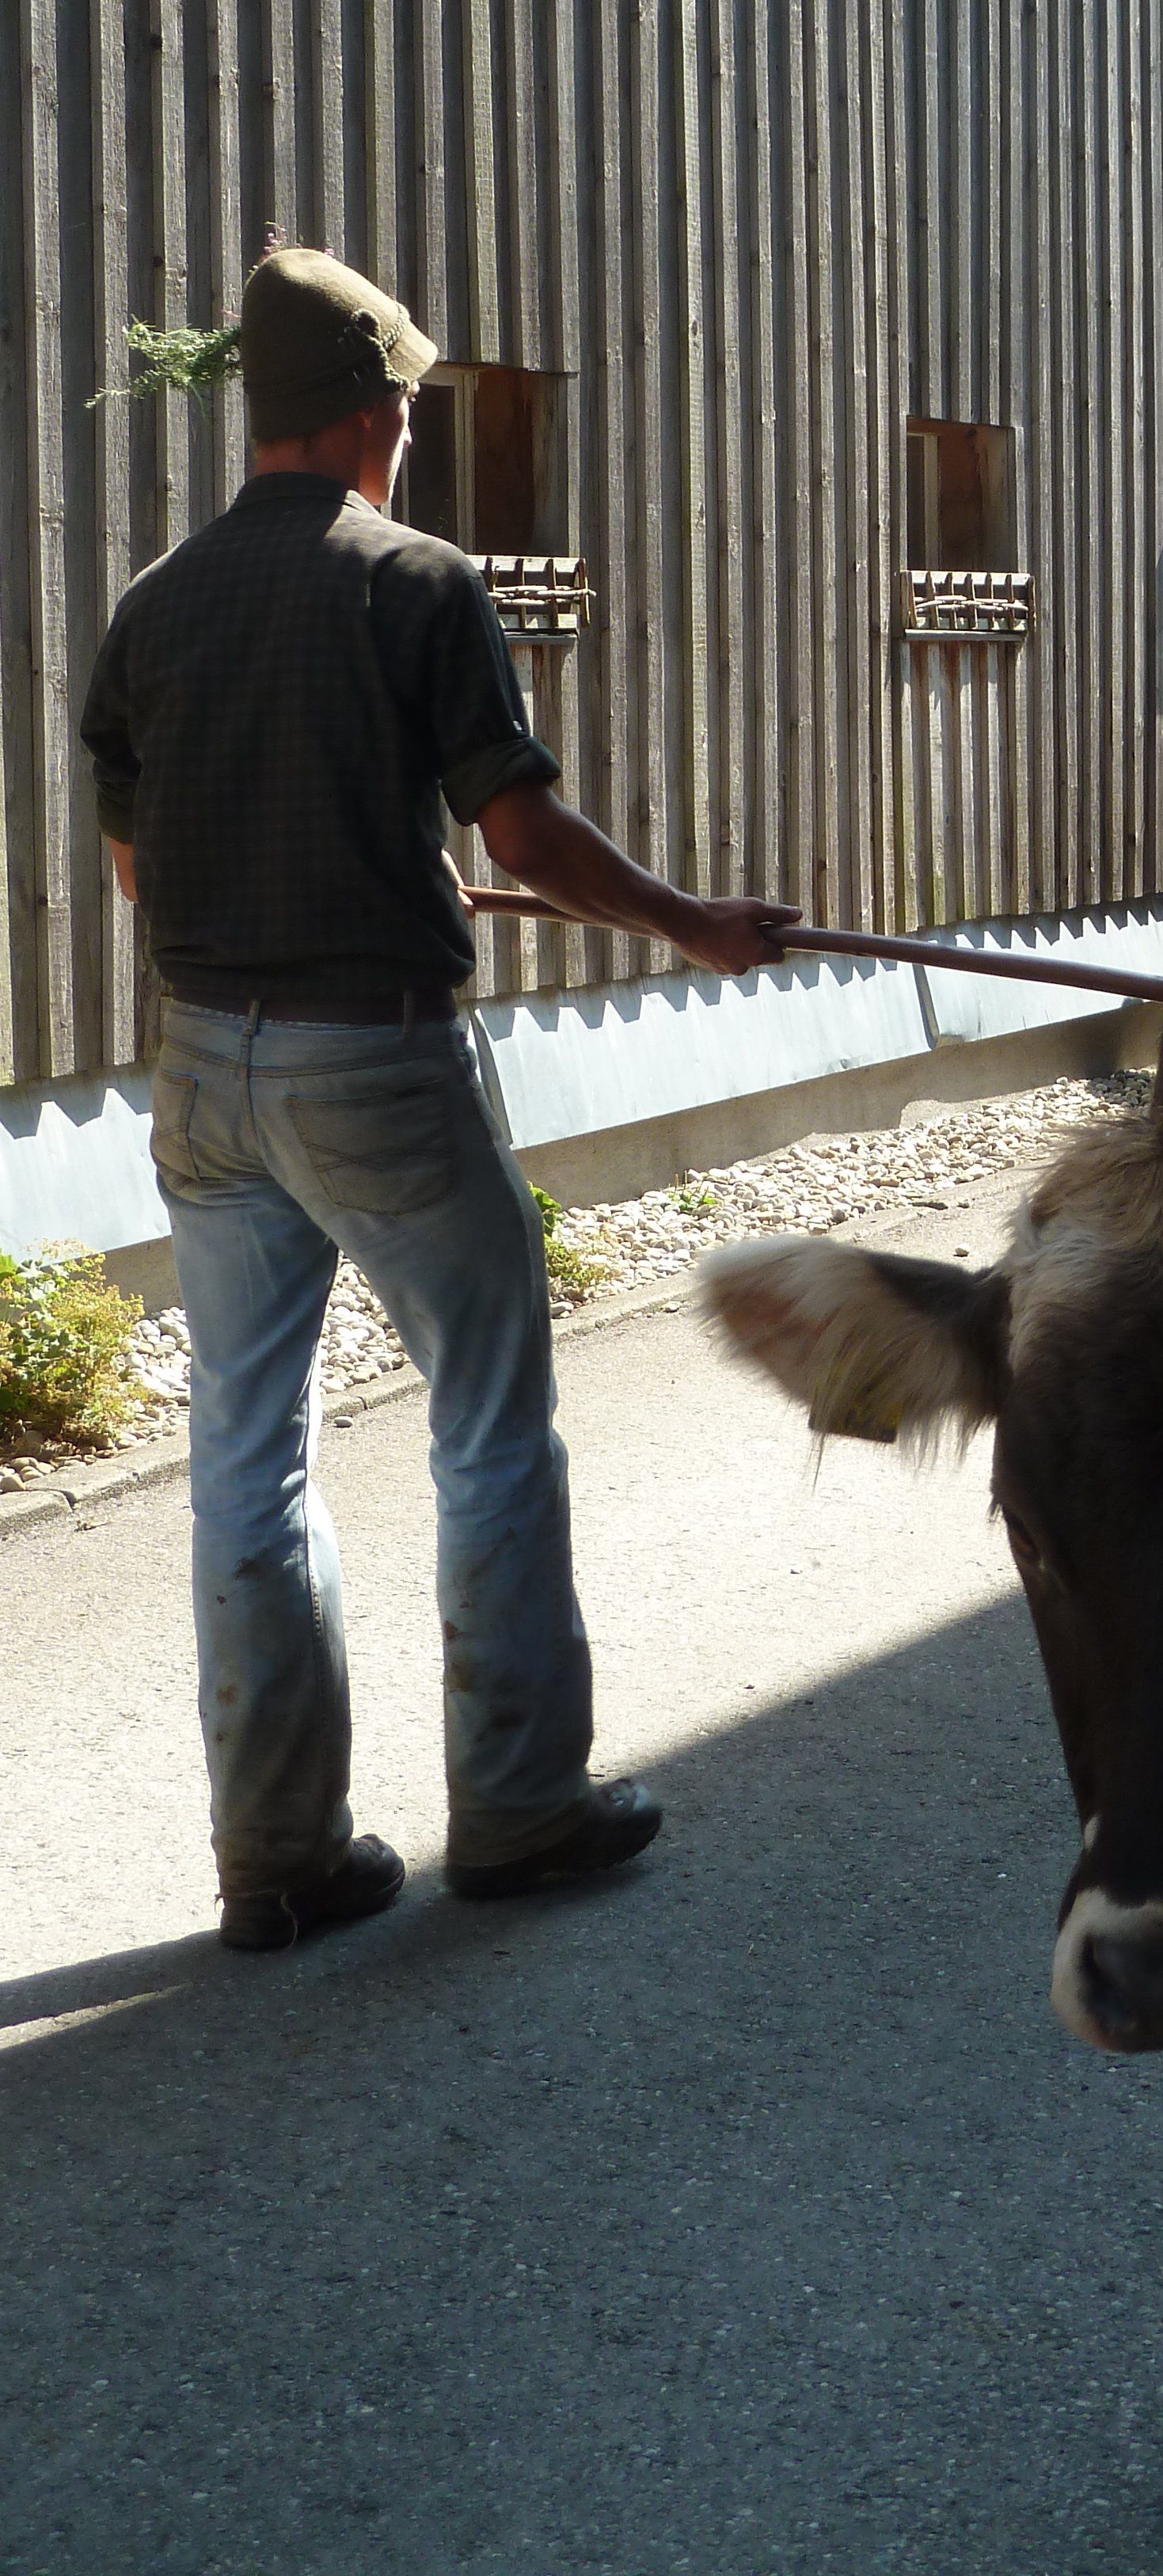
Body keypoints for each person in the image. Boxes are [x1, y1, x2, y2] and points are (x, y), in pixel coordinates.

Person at [80, 248, 799, 1952]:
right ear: (372, 413)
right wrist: (695, 926)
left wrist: (355, 859)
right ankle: (521, 1806)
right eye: (407, 408)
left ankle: (277, 1858)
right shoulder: (416, 582)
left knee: (245, 1453)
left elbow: (140, 870)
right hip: (376, 1065)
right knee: (487, 1418)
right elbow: (523, 834)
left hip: (202, 1071)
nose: (409, 435)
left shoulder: (154, 607)